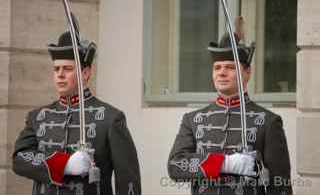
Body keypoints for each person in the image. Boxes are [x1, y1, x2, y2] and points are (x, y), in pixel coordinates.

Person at [12, 31, 141, 195]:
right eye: (56, 69)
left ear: (86, 73)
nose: (60, 75)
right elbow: (19, 159)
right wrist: (63, 165)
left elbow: (128, 180)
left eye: (67, 69)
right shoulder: (38, 117)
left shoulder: (111, 118)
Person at [167, 31, 292, 195]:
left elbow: (280, 185)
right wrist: (225, 163)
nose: (221, 73)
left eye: (230, 67)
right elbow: (175, 167)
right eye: (217, 68)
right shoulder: (193, 120)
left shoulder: (269, 121)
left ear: (247, 73)